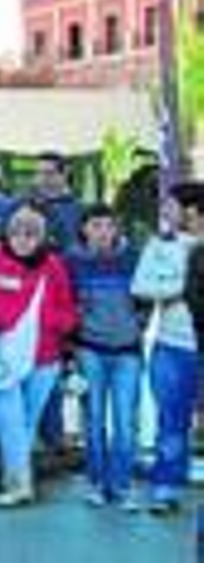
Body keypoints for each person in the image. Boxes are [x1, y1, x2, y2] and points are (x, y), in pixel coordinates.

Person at [0, 207, 77, 508]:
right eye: (17, 233)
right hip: (0, 355)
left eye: (31, 234)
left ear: (41, 237)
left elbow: (67, 309)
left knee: (26, 423)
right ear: (8, 234)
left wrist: (54, 324)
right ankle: (20, 485)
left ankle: (13, 477)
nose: (23, 239)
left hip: (43, 357)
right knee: (10, 422)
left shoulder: (54, 266)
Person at [64, 204, 142, 510]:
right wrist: (71, 346)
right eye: (96, 225)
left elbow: (146, 298)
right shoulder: (72, 261)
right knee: (93, 419)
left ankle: (122, 485)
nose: (103, 232)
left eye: (109, 226)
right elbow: (65, 303)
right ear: (84, 229)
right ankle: (96, 483)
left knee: (125, 421)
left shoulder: (131, 257)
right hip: (89, 349)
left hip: (127, 350)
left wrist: (138, 324)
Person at [149, 182, 204, 514]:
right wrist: (167, 289)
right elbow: (143, 286)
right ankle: (165, 488)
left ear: (191, 210)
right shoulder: (163, 245)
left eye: (170, 206)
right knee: (171, 421)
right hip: (171, 344)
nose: (165, 212)